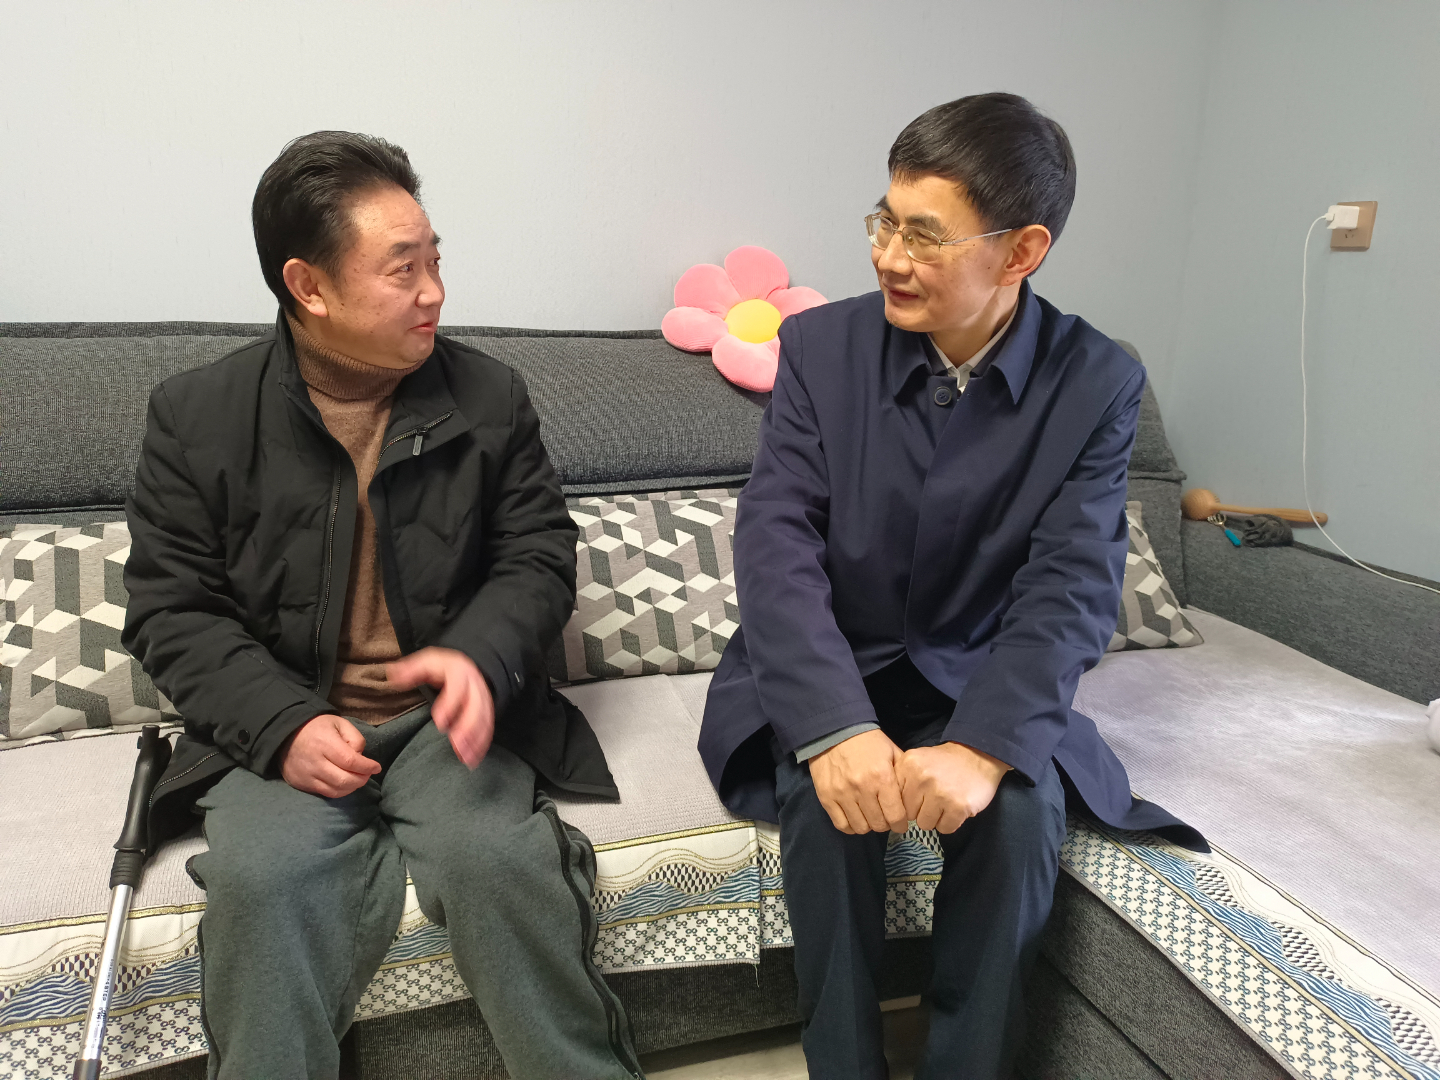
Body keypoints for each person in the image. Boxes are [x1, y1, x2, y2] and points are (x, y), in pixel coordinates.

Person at [698, 93, 1205, 1080]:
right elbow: (776, 543)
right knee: (827, 806)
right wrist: (833, 729)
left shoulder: (1097, 382)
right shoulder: (821, 349)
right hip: (834, 663)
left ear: (1022, 252)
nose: (888, 256)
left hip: (979, 675)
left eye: (924, 235)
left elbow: (1070, 586)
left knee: (1018, 818)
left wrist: (983, 746)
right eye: (883, 222)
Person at [123, 131, 642, 1080]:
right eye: (403, 269)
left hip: (445, 721)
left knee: (501, 864)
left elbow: (536, 556)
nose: (434, 291)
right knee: (264, 883)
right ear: (309, 286)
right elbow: (173, 609)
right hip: (292, 717)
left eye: (436, 259)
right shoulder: (197, 417)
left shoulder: (488, 396)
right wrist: (282, 725)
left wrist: (479, 655)